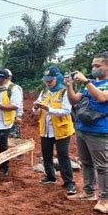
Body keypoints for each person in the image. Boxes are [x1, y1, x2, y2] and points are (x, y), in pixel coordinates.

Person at [65, 51, 108, 213]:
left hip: (100, 131)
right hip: (83, 129)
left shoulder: (96, 84)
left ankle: (105, 199)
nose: (94, 68)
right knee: (86, 163)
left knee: (103, 166)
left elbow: (102, 98)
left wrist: (85, 81)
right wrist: (69, 86)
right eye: (92, 66)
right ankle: (88, 191)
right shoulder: (90, 84)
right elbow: (74, 100)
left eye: (98, 65)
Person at [33, 66, 77, 195]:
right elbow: (36, 113)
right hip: (46, 130)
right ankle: (50, 176)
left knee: (63, 156)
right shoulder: (44, 92)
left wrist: (48, 109)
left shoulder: (65, 92)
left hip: (61, 130)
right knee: (46, 154)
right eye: (46, 80)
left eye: (50, 80)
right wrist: (36, 108)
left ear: (57, 78)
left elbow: (66, 111)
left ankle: (69, 183)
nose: (47, 83)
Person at [6, 69, 24, 140]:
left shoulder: (15, 88)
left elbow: (20, 103)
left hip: (13, 116)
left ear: (10, 77)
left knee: (14, 138)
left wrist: (19, 116)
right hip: (3, 117)